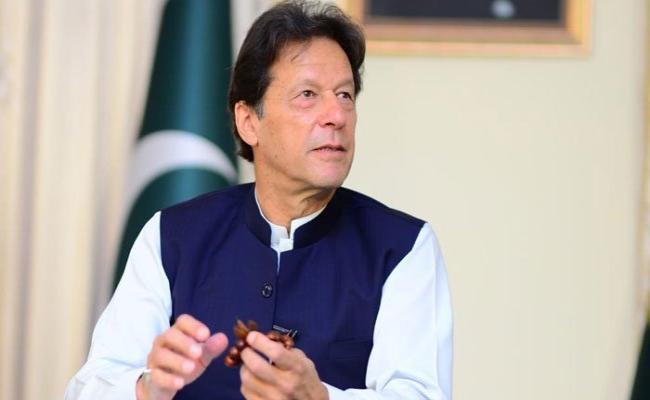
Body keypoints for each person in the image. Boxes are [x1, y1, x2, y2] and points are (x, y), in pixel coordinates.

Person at [65, 1, 453, 399]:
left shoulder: (402, 248)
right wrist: (148, 387)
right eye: (308, 94)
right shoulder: (171, 237)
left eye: (345, 95)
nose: (336, 115)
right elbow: (87, 389)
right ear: (249, 121)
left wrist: (320, 397)